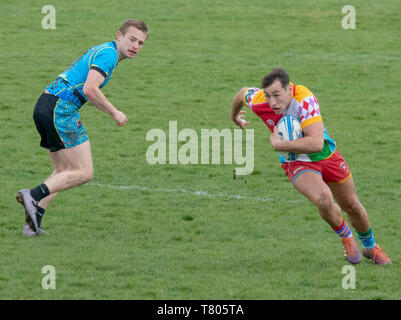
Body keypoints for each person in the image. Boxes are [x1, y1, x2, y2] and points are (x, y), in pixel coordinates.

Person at [230, 68, 391, 265]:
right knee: (324, 199)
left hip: (325, 154)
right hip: (296, 161)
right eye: (269, 96)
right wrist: (234, 116)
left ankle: (371, 247)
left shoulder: (304, 100)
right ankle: (346, 236)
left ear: (289, 89)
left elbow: (316, 143)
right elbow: (241, 93)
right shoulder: (260, 101)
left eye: (277, 95)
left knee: (352, 206)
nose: (272, 102)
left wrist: (279, 145)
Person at [16, 19, 149, 236]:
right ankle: (33, 195)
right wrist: (114, 112)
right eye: (132, 39)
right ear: (119, 35)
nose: (135, 46)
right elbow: (90, 89)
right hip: (60, 108)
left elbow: (87, 91)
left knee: (63, 171)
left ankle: (33, 223)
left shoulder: (104, 50)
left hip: (45, 103)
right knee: (84, 172)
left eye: (141, 43)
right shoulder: (109, 55)